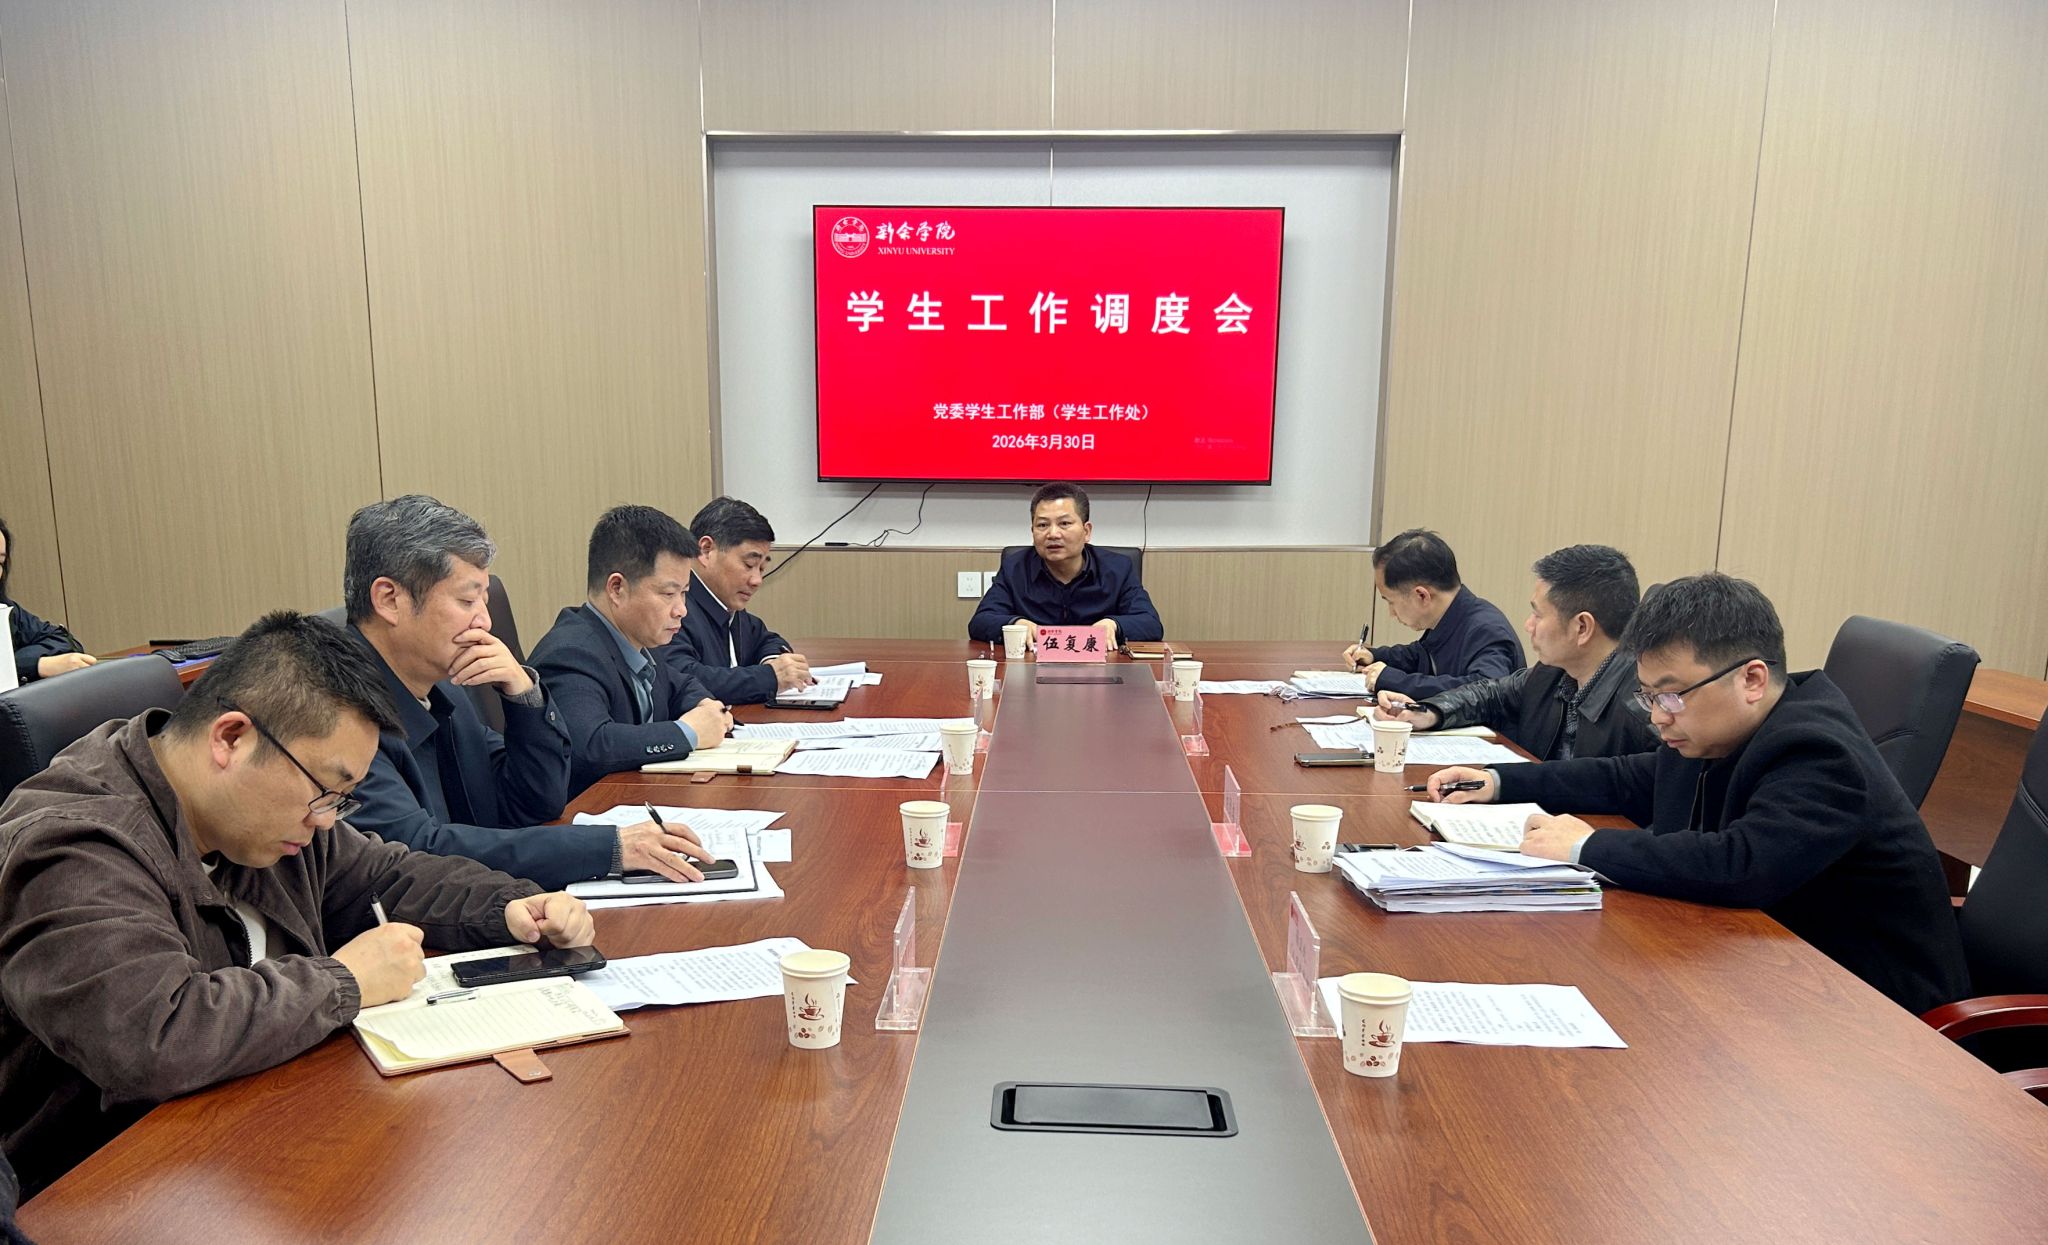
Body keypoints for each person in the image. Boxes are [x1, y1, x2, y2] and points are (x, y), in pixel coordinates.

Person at [0, 611, 595, 1200]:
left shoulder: (263, 817)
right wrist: (345, 981)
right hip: (106, 1187)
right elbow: (153, 1037)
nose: (326, 820)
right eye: (324, 791)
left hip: (253, 1134)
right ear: (231, 738)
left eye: (341, 799)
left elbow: (385, 874)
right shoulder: (74, 846)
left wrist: (510, 906)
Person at [1422, 573, 1968, 1015]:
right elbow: (1629, 778)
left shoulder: (1817, 751)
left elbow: (1742, 865)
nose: (1658, 717)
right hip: (1765, 970)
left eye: (1671, 696)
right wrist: (1501, 780)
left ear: (1752, 679)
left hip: (1875, 1014)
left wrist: (1585, 846)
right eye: (1648, 696)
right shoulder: (1719, 730)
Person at [342, 495, 679, 889]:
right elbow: (419, 852)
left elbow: (534, 802)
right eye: (467, 601)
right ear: (389, 599)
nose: (485, 622)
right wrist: (608, 848)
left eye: (484, 601)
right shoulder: (340, 711)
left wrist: (525, 696)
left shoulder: (446, 689)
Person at [530, 506, 734, 820]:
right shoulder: (571, 653)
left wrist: (705, 706)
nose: (681, 609)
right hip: (586, 821)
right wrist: (687, 733)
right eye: (669, 594)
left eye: (684, 593)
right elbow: (591, 746)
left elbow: (680, 686)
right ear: (617, 588)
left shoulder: (637, 640)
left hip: (639, 806)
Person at [1376, 544, 1656, 761]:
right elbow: (1490, 693)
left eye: (1538, 614)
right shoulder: (1552, 674)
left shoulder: (1645, 714)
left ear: (1582, 627)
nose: (1528, 625)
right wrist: (1430, 712)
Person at [660, 497, 813, 706]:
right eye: (749, 564)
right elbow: (683, 679)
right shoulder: (675, 609)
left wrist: (772, 660)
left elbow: (767, 640)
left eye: (761, 568)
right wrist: (769, 677)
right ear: (706, 550)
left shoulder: (726, 606)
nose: (757, 580)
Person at [967, 482, 1162, 646]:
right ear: (1032, 531)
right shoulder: (1015, 568)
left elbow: (1151, 624)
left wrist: (1114, 625)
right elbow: (980, 621)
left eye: (1064, 523)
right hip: (1032, 671)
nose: (1053, 534)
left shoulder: (1118, 568)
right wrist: (1015, 623)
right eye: (1042, 525)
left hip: (1101, 672)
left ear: (1086, 531)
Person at [1343, 528, 1523, 698]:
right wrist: (1376, 656)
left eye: (1391, 601)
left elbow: (1484, 692)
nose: (1392, 613)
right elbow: (1420, 656)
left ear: (1422, 595)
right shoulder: (1451, 616)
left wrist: (1397, 681)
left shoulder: (1486, 631)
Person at [0, 516, 94, 685]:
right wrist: (35, 665)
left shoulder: (6, 609)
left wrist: (28, 662)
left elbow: (63, 640)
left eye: (0, 562)